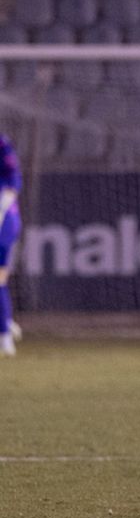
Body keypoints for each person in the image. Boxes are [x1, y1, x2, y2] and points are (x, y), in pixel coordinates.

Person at [0, 134, 21, 356]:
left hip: (4, 223)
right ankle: (5, 321)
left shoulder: (2, 144)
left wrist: (3, 206)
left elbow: (14, 179)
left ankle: (4, 335)